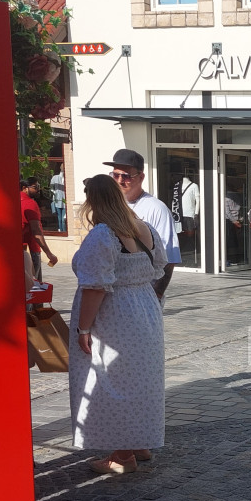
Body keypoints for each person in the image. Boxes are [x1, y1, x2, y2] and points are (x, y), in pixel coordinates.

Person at [69, 175, 167, 475]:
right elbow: (160, 266)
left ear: (93, 201)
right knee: (140, 381)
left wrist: (84, 328)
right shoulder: (144, 228)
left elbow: (95, 287)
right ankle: (139, 443)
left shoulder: (103, 234)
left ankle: (123, 456)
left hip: (114, 316)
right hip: (145, 310)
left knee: (112, 381)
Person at [105, 149, 180, 299]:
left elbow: (169, 258)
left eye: (126, 176)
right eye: (115, 175)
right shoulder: (108, 206)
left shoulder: (156, 208)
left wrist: (157, 295)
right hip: (112, 296)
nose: (120, 180)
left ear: (141, 177)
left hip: (142, 295)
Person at [20, 177, 58, 282]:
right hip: (31, 249)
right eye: (35, 187)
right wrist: (49, 253)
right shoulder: (30, 204)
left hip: (19, 249)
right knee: (33, 283)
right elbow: (36, 231)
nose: (38, 189)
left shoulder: (13, 201)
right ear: (24, 188)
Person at [49, 166, 67, 233]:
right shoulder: (55, 177)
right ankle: (61, 231)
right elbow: (51, 188)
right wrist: (55, 194)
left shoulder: (66, 178)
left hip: (64, 200)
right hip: (57, 200)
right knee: (60, 218)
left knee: (63, 219)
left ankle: (63, 232)